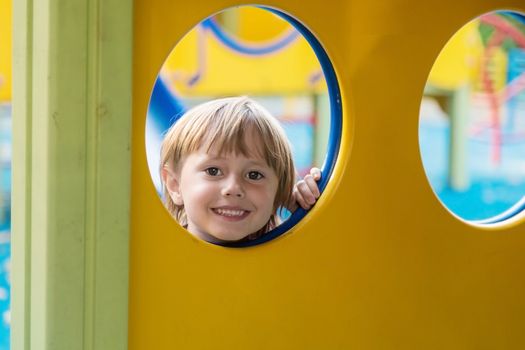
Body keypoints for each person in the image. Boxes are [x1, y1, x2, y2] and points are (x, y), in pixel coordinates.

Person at [160, 96, 321, 244]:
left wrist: (307, 217)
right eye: (213, 171)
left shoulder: (286, 256)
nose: (233, 188)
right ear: (175, 185)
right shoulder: (156, 256)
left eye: (254, 175)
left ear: (278, 193)